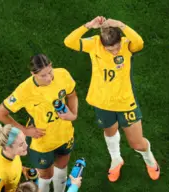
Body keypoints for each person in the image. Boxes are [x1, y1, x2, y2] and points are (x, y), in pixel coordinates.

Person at [64, 17, 160, 182]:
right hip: (102, 102)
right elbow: (69, 41)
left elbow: (140, 42)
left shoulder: (127, 45)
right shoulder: (94, 44)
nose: (114, 51)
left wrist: (122, 25)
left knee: (137, 143)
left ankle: (149, 159)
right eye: (110, 49)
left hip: (125, 102)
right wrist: (88, 26)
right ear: (102, 43)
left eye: (116, 47)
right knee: (110, 132)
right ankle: (116, 159)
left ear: (120, 41)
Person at [0, 54, 79, 192]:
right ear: (33, 74)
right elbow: (0, 113)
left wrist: (73, 114)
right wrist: (25, 131)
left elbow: (72, 94)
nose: (49, 78)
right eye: (43, 75)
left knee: (62, 167)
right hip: (42, 142)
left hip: (65, 134)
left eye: (50, 72)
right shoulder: (24, 91)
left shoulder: (62, 74)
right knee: (46, 175)